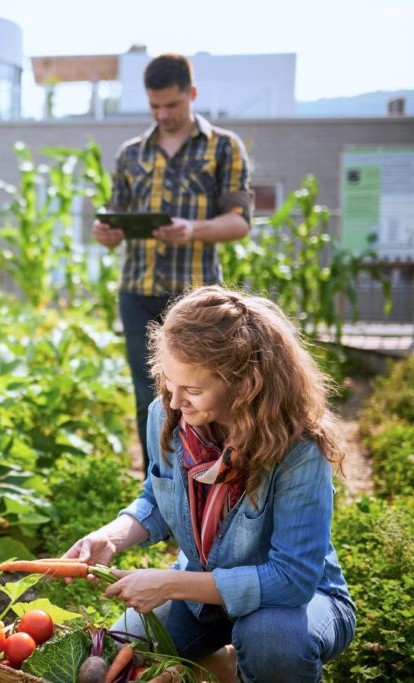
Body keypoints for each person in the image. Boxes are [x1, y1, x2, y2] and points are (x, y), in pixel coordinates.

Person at [64, 286, 356, 683]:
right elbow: (157, 498)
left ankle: (253, 661)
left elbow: (291, 580)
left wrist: (170, 583)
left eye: (194, 390)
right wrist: (112, 537)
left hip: (295, 604)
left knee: (271, 640)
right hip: (203, 598)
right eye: (169, 380)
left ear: (245, 384)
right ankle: (226, 665)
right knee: (116, 652)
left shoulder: (298, 449)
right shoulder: (166, 416)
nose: (174, 399)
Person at [94, 54, 252, 473]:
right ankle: (158, 488)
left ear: (191, 95)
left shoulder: (223, 147)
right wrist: (107, 233)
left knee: (204, 392)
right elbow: (116, 215)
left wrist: (193, 229)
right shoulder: (131, 154)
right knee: (147, 394)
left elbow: (239, 223)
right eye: (155, 107)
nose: (163, 114)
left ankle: (210, 477)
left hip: (196, 298)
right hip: (137, 291)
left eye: (172, 105)